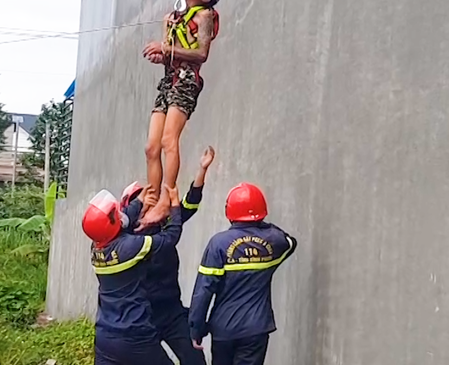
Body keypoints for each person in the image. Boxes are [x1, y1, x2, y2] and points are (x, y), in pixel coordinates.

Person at [120, 146, 216, 365]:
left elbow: (190, 204)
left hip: (171, 311)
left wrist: (202, 170)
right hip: (142, 318)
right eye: (144, 199)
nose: (149, 203)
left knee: (195, 359)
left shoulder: (164, 225)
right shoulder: (124, 238)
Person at [140, 0, 222, 225]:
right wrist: (161, 56)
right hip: (168, 81)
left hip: (187, 81)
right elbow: (171, 55)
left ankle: (167, 196)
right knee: (151, 146)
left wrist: (164, 48)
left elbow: (201, 54)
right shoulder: (171, 19)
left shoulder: (204, 15)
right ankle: (151, 197)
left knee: (168, 140)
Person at [188, 183, 298, 365]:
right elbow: (290, 242)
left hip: (224, 329)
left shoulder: (218, 244)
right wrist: (262, 226)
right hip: (256, 329)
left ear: (229, 211)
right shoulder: (273, 241)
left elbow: (203, 291)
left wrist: (196, 329)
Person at [83, 183, 183, 365]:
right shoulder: (130, 247)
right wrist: (175, 206)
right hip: (135, 336)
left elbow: (122, 220)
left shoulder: (96, 247)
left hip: (105, 337)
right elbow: (170, 237)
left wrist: (139, 200)